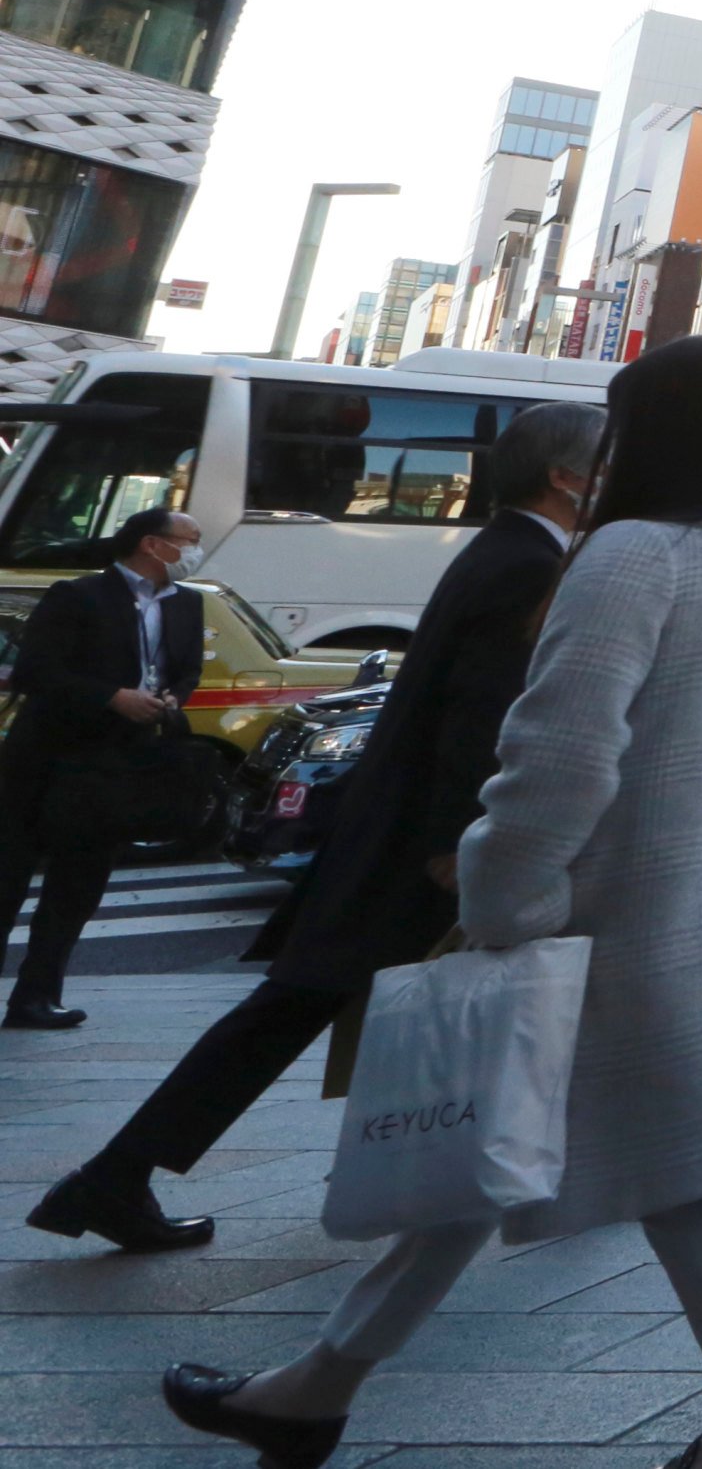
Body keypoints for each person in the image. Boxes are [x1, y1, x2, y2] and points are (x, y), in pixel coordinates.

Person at [157, 334, 702, 1469]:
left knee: (667, 1161)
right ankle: (314, 1387)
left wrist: (503, 897)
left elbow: (555, 760)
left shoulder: (630, 557)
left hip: (606, 916)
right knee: (490, 1144)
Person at [32, 405, 602, 1251]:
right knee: (302, 1005)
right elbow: (474, 717)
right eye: (607, 460)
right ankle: (116, 1178)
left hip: (401, 836)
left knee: (300, 1006)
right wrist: (457, 841)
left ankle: (116, 1179)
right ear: (564, 476)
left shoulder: (508, 551)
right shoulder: (525, 564)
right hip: (420, 846)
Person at [0, 503, 206, 1029]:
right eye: (188, 539)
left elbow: (184, 670)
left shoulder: (188, 604)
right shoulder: (78, 595)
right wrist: (111, 697)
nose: (194, 551)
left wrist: (170, 700)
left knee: (79, 885)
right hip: (49, 759)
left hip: (119, 765)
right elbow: (36, 671)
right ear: (150, 544)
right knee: (9, 876)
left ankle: (36, 995)